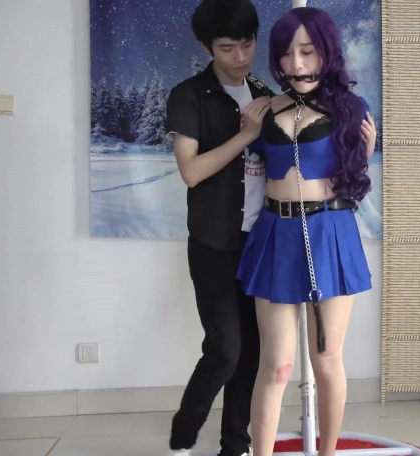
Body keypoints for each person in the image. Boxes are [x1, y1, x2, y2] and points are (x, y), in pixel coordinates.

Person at [235, 7, 377, 456]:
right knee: (276, 367)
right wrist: (249, 130)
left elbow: (354, 182)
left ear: (326, 52)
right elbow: (252, 172)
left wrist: (365, 153)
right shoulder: (264, 110)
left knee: (326, 358)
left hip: (329, 233)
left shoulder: (352, 109)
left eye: (307, 51)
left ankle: (328, 452)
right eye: (286, 53)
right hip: (276, 235)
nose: (296, 64)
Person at [163, 1, 274, 455]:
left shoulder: (264, 93)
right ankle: (182, 437)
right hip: (213, 243)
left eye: (248, 44)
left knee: (253, 352)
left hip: (261, 242)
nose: (240, 56)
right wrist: (246, 134)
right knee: (225, 350)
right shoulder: (189, 95)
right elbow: (191, 171)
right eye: (228, 48)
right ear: (206, 47)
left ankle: (235, 447)